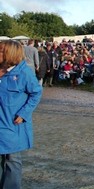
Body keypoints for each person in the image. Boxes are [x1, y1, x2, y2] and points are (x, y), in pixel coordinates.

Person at [0, 40, 43, 189]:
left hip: (12, 123)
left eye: (0, 51)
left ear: (10, 53)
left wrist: (24, 113)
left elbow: (36, 93)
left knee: (12, 159)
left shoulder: (24, 72)